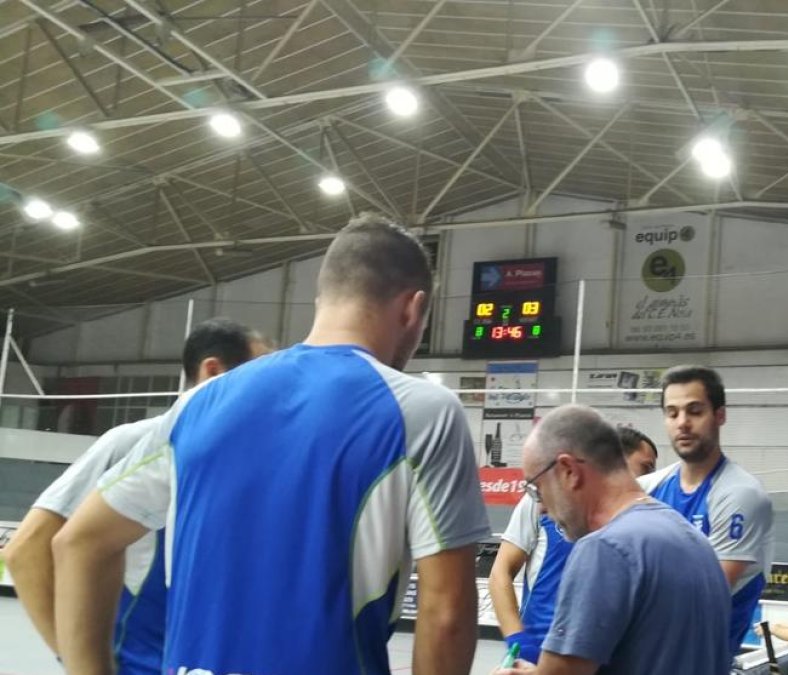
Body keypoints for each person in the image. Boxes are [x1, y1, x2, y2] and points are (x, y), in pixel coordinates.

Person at [51, 213, 491, 675]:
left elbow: (78, 543)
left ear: (323, 299)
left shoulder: (199, 404)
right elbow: (445, 614)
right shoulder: (420, 411)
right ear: (413, 309)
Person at [2, 318, 269, 674]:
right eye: (262, 371)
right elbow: (26, 551)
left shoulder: (245, 462)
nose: (273, 386)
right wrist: (78, 663)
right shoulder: (137, 443)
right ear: (213, 372)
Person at [495, 405, 729, 675]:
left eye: (537, 489)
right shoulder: (693, 540)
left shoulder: (604, 549)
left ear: (569, 470)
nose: (540, 508)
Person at [489, 426, 659, 664]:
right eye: (647, 468)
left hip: (601, 658)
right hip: (538, 652)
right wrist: (520, 642)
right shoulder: (539, 501)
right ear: (616, 464)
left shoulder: (645, 522)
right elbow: (500, 573)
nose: (652, 477)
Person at [639, 365, 774, 655]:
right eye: (672, 413)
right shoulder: (647, 488)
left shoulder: (741, 494)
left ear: (719, 415)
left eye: (695, 411)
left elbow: (703, 597)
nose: (682, 423)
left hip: (698, 660)